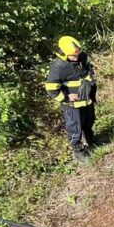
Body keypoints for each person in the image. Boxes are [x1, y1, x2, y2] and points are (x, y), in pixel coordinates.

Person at [44, 35, 97, 165]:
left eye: (77, 54)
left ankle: (91, 141)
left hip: (86, 99)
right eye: (72, 56)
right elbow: (51, 88)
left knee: (89, 121)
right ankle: (78, 150)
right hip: (71, 105)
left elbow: (87, 69)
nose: (76, 58)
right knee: (74, 127)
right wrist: (66, 97)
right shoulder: (59, 67)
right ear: (63, 53)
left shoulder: (81, 56)